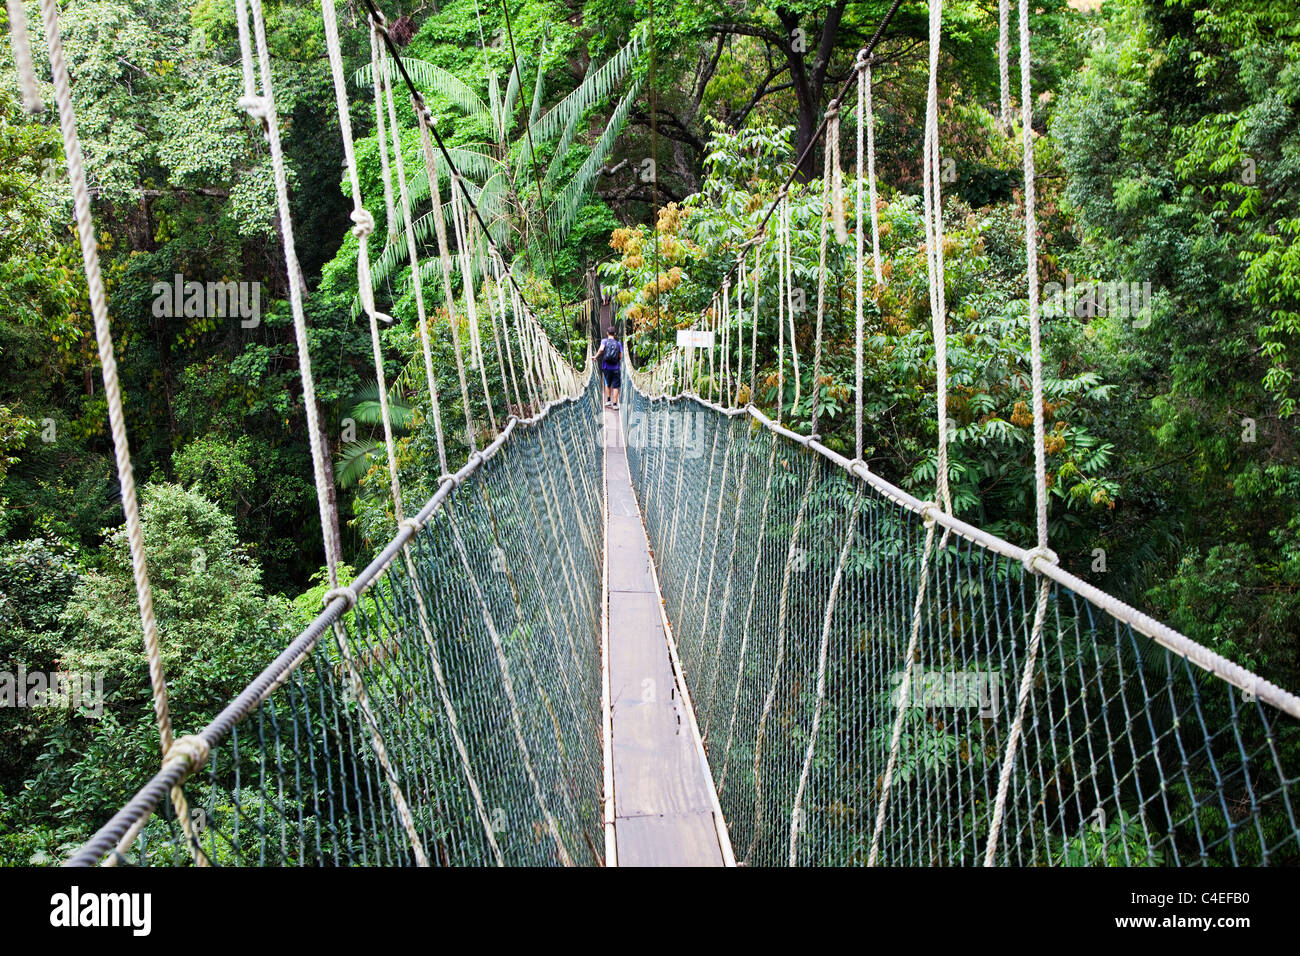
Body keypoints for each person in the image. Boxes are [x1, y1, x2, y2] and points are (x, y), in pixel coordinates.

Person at [597, 327, 622, 409]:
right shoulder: (618, 344)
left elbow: (601, 349)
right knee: (615, 386)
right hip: (615, 368)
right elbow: (620, 357)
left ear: (607, 333)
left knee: (607, 383)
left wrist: (595, 357)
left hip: (606, 366)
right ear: (615, 334)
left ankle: (608, 401)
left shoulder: (604, 341)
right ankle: (615, 404)